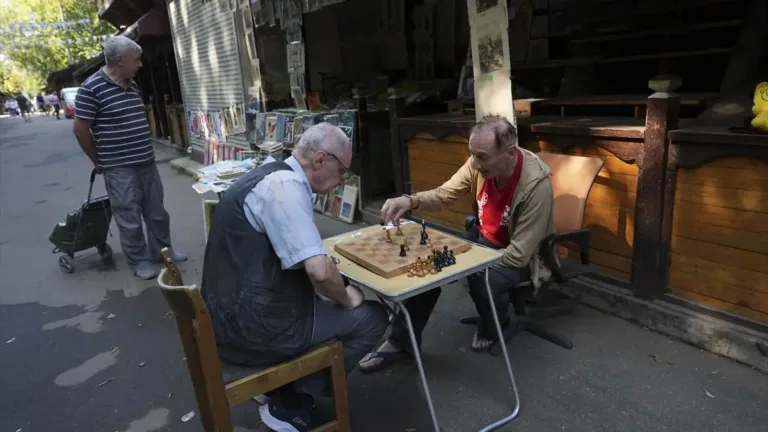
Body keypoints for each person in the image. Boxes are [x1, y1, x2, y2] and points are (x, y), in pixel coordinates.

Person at [201, 122, 388, 432]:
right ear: (319, 160)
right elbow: (317, 270)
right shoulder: (284, 188)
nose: (342, 181)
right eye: (342, 171)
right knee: (372, 317)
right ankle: (294, 401)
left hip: (229, 315)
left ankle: (281, 388)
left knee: (327, 295)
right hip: (253, 329)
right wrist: (346, 296)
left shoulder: (268, 174)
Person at [358, 115, 556, 373]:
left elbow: (519, 255)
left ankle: (494, 325)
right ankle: (400, 343)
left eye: (482, 157)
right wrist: (410, 200)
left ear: (509, 153)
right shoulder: (478, 163)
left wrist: (466, 263)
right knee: (426, 269)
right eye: (472, 154)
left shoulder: (536, 185)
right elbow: (444, 195)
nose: (475, 163)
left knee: (483, 278)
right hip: (484, 240)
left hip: (524, 256)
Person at [72, 36, 187, 280]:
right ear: (119, 60)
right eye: (136, 60)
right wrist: (98, 160)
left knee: (157, 213)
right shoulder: (91, 89)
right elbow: (81, 130)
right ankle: (139, 260)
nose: (140, 65)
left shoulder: (131, 84)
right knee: (129, 216)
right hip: (118, 166)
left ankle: (162, 252)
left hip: (146, 161)